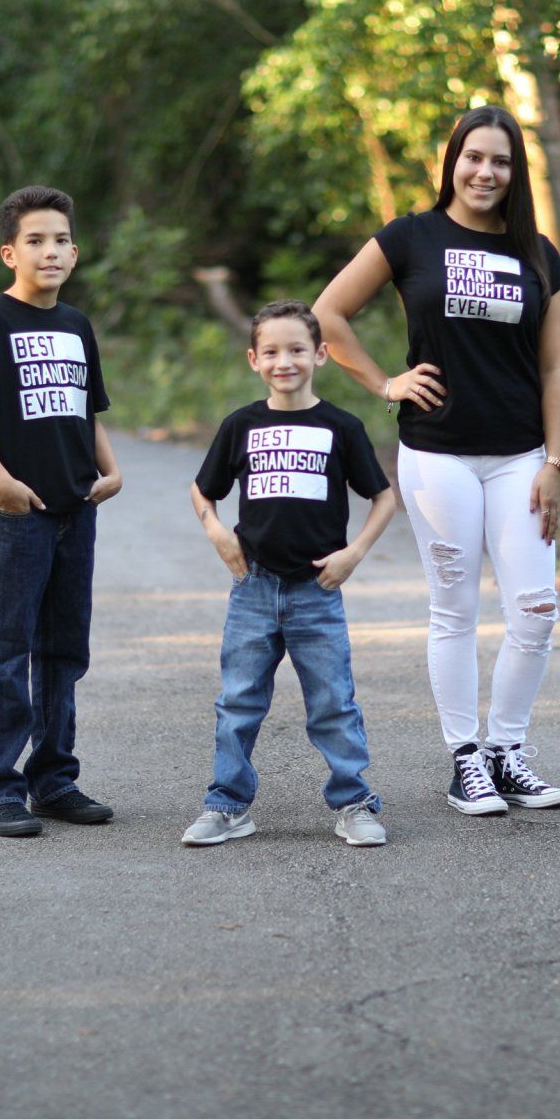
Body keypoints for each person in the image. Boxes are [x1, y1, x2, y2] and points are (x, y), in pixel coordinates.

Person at [313, 105, 560, 817]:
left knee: (537, 609)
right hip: (439, 458)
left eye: (501, 161)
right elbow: (327, 315)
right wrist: (384, 383)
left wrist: (557, 459)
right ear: (451, 161)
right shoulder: (410, 237)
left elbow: (554, 370)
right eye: (473, 157)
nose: (485, 172)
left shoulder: (540, 255)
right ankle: (466, 760)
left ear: (515, 173)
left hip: (521, 456)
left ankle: (507, 752)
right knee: (454, 610)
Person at [183, 300, 398, 847]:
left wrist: (355, 553)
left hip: (316, 592)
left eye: (298, 349)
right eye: (272, 351)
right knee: (238, 702)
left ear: (321, 355)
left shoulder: (341, 427)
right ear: (253, 359)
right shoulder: (241, 425)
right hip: (252, 588)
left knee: (332, 703)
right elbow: (202, 490)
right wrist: (216, 531)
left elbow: (383, 497)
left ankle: (354, 802)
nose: (286, 361)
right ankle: (227, 806)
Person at [0, 185, 123, 839]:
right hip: (19, 513)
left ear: (74, 252)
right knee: (7, 647)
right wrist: (0, 482)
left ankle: (54, 780)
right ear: (8, 253)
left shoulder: (76, 325)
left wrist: (111, 469)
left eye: (59, 240)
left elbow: (87, 407)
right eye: (34, 241)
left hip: (78, 509)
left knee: (62, 650)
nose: (49, 251)